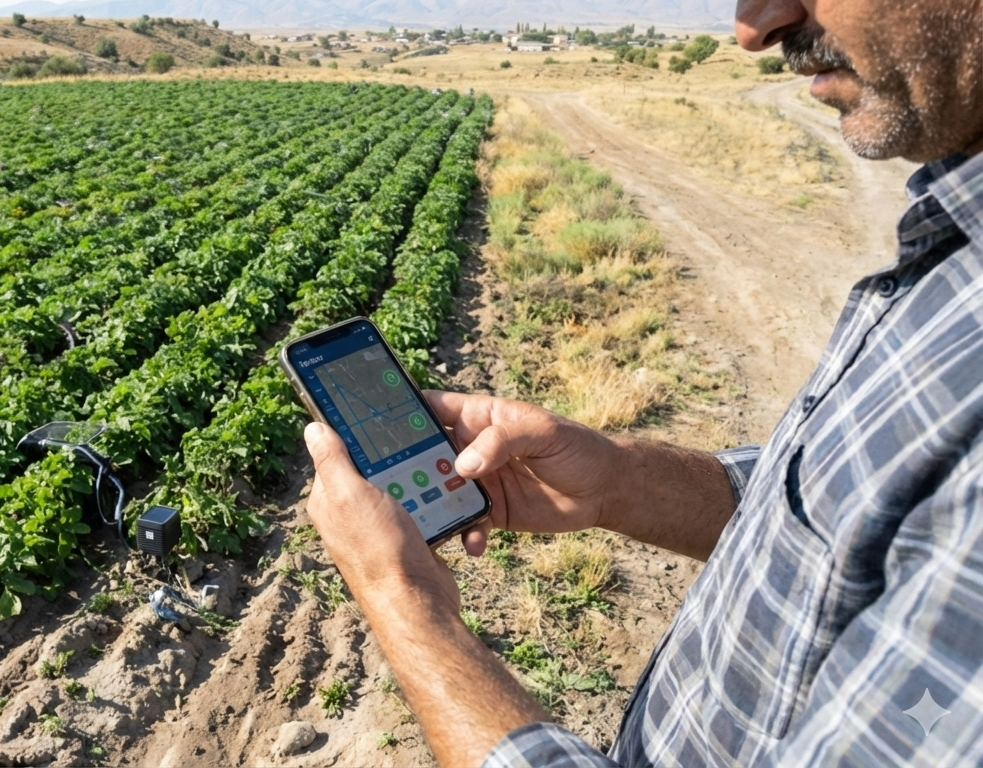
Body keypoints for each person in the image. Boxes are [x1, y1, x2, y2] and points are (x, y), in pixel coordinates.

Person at [302, 0, 983, 765]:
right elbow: (840, 504)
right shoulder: (956, 259)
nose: (754, 28)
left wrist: (403, 603)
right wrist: (617, 483)